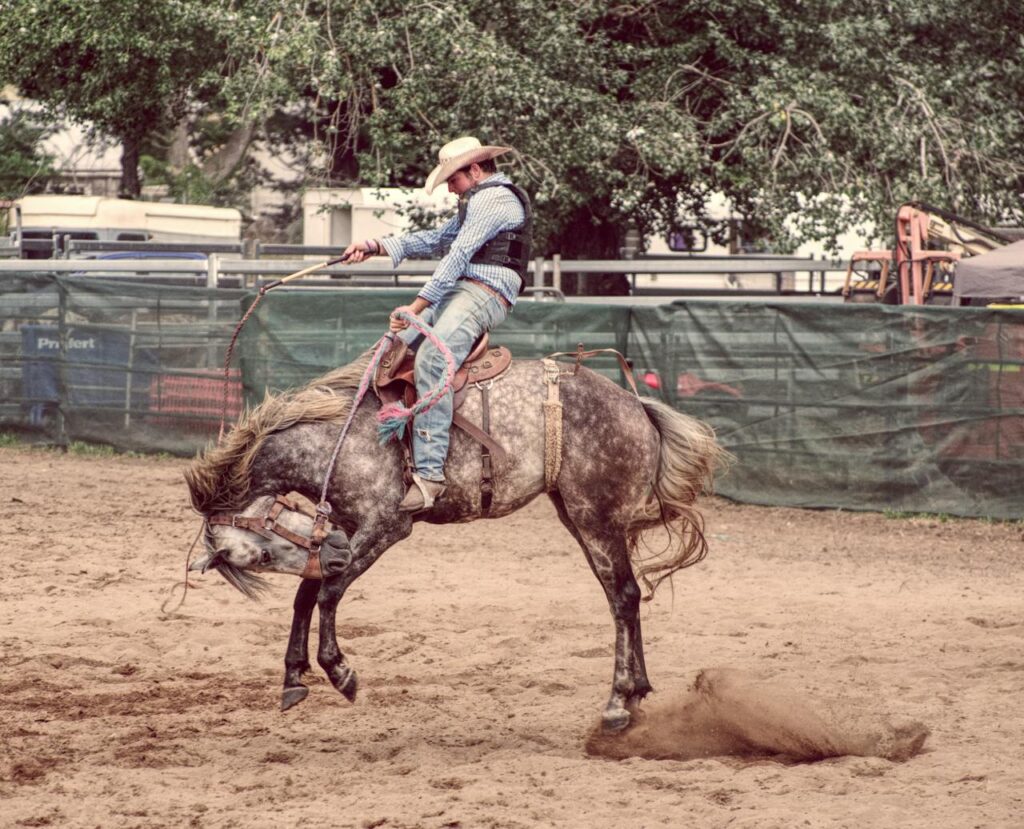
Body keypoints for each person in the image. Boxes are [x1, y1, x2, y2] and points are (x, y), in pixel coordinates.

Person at [343, 136, 533, 512]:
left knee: (432, 358)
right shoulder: (476, 202)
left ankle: (430, 475)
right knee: (390, 349)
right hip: (466, 290)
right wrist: (376, 245)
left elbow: (457, 255)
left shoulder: (494, 200)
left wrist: (417, 305)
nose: (449, 187)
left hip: (486, 292)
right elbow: (437, 239)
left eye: (453, 179)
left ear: (475, 170)